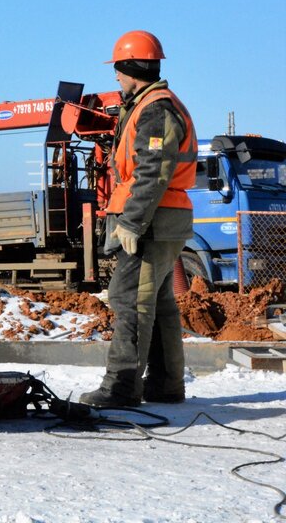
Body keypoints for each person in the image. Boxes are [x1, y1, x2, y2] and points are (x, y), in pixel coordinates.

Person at [81, 30, 196, 408]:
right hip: (162, 219)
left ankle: (121, 388)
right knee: (158, 301)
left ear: (131, 67)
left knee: (128, 299)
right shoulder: (151, 104)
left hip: (153, 221)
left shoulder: (155, 109)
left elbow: (152, 171)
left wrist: (131, 222)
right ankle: (165, 385)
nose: (115, 77)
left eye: (117, 69)